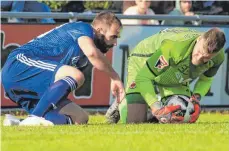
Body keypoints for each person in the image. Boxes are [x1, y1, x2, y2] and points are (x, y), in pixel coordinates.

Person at [2, 11, 125, 126]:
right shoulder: (84, 28)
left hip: (30, 81)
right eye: (113, 36)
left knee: (80, 118)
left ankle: (20, 123)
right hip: (19, 64)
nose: (115, 43)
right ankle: (35, 116)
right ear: (99, 30)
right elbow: (92, 54)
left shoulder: (82, 50)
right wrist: (115, 78)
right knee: (76, 75)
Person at [106, 27, 226, 124]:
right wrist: (156, 108)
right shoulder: (173, 47)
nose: (199, 58)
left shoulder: (219, 57)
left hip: (175, 69)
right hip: (143, 60)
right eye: (199, 52)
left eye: (206, 58)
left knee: (182, 117)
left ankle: (151, 110)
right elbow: (143, 77)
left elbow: (206, 79)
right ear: (199, 39)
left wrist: (196, 99)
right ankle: (123, 101)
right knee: (135, 122)